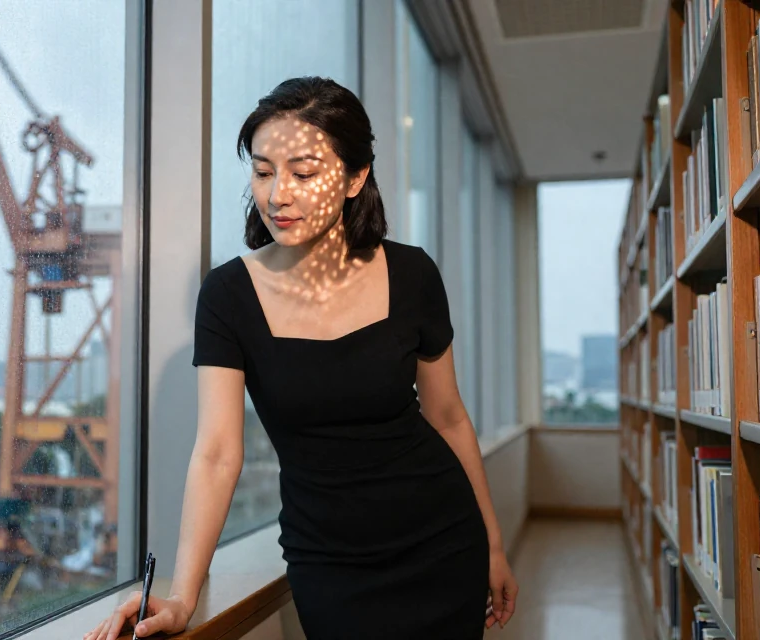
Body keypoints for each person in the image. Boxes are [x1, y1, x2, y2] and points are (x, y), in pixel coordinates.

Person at [85, 76, 518, 639]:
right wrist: (183, 597)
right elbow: (216, 454)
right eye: (264, 172)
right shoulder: (228, 296)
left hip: (442, 542)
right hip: (329, 565)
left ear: (355, 178)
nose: (277, 195)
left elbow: (449, 416)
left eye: (304, 174)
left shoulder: (412, 274)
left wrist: (493, 545)